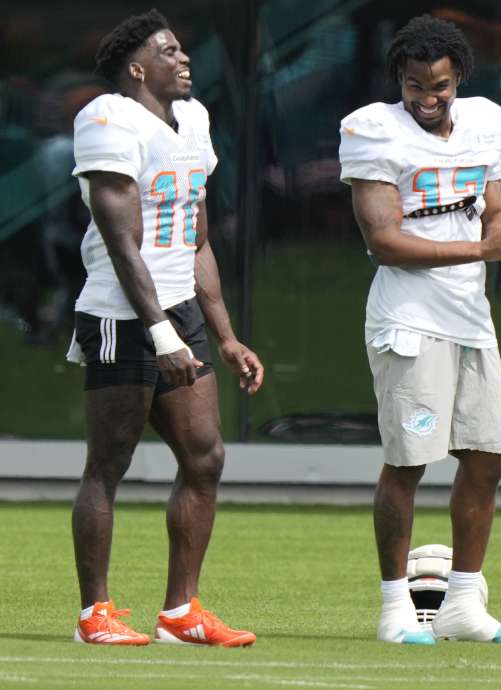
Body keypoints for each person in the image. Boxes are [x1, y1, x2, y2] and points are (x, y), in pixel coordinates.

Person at [338, 14, 501, 646]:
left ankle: (462, 603)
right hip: (409, 317)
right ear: (398, 81)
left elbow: (494, 209)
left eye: (438, 87)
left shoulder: (484, 120)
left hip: (468, 316)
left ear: (458, 76)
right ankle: (395, 609)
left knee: (488, 458)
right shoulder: (372, 130)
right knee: (408, 463)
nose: (427, 100)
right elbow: (383, 241)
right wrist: (483, 252)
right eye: (414, 87)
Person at [66, 9, 264, 647]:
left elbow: (196, 239)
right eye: (169, 52)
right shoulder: (107, 118)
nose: (184, 60)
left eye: (182, 51)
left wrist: (224, 334)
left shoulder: (196, 119)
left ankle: (180, 613)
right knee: (111, 461)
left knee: (204, 456)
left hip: (178, 308)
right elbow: (123, 244)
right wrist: (160, 335)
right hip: (121, 314)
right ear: (136, 67)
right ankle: (94, 614)